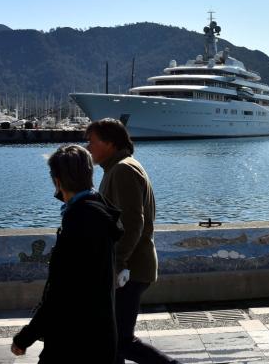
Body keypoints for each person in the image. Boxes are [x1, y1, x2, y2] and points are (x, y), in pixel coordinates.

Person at [11, 144, 124, 363]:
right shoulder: (98, 209)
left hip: (74, 341)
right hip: (100, 335)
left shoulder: (79, 220)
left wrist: (25, 337)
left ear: (57, 180)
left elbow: (61, 292)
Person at [86, 119, 179, 364]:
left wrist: (117, 262)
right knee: (112, 341)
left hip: (130, 269)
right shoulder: (117, 169)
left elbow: (132, 222)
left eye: (92, 142)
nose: (88, 147)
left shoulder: (123, 170)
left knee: (121, 341)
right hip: (130, 267)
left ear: (110, 143)